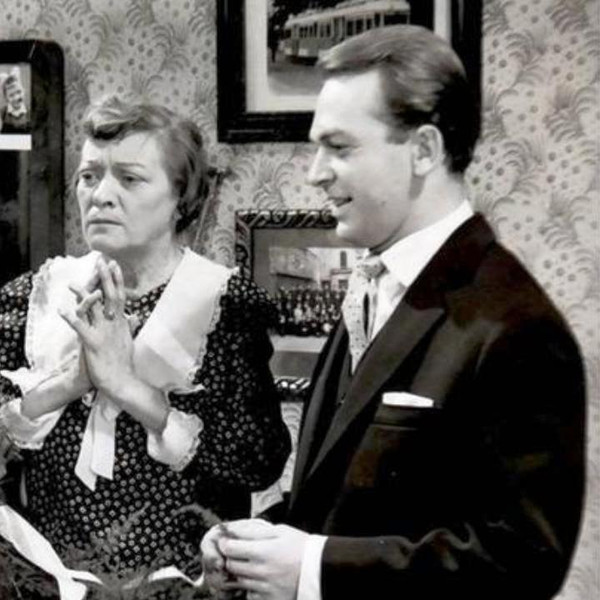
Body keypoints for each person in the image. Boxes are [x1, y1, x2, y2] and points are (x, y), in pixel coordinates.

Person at [200, 25, 586, 600]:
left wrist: (312, 569)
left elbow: (522, 562)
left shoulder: (514, 324)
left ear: (424, 151)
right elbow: (346, 497)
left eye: (339, 147)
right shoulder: (375, 281)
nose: (315, 171)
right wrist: (258, 544)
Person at [0, 96, 290, 594]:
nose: (100, 195)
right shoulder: (37, 296)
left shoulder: (223, 305)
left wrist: (127, 386)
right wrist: (70, 383)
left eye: (130, 179)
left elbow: (258, 461)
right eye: (89, 176)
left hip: (182, 585)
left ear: (181, 197)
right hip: (46, 581)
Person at [0, 67, 30, 134]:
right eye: (11, 95)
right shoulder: (2, 113)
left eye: (19, 92)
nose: (16, 97)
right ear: (6, 98)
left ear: (24, 91)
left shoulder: (29, 112)